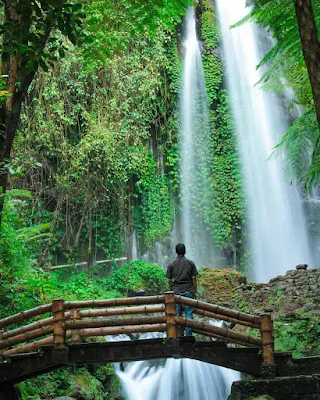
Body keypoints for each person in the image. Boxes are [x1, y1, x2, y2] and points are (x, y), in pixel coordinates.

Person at [166, 243, 198, 336]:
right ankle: (188, 336)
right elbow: (194, 278)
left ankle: (178, 336)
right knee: (189, 315)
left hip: (176, 292)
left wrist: (171, 290)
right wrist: (195, 290)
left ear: (176, 252)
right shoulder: (190, 263)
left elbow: (169, 280)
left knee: (176, 315)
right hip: (188, 291)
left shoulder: (171, 264)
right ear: (185, 251)